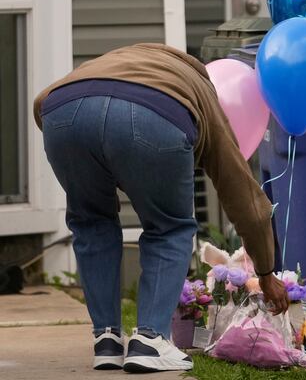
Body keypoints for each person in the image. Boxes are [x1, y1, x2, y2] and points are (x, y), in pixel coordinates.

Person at [33, 43, 289, 373]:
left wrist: (85, 155)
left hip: (62, 111)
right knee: (171, 227)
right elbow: (245, 198)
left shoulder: (118, 59)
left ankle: (106, 339)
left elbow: (43, 103)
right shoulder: (201, 95)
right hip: (152, 115)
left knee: (91, 223)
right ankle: (150, 341)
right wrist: (266, 273)